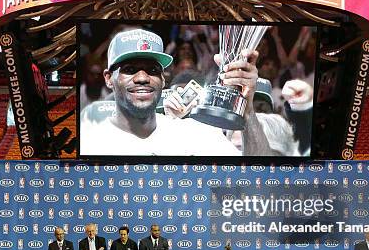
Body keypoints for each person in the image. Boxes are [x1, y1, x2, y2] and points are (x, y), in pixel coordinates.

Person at [80, 28, 272, 156]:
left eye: (152, 70)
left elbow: (255, 176)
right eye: (129, 69)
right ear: (108, 78)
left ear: (163, 79)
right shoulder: (90, 143)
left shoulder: (197, 134)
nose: (142, 78)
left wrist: (246, 110)